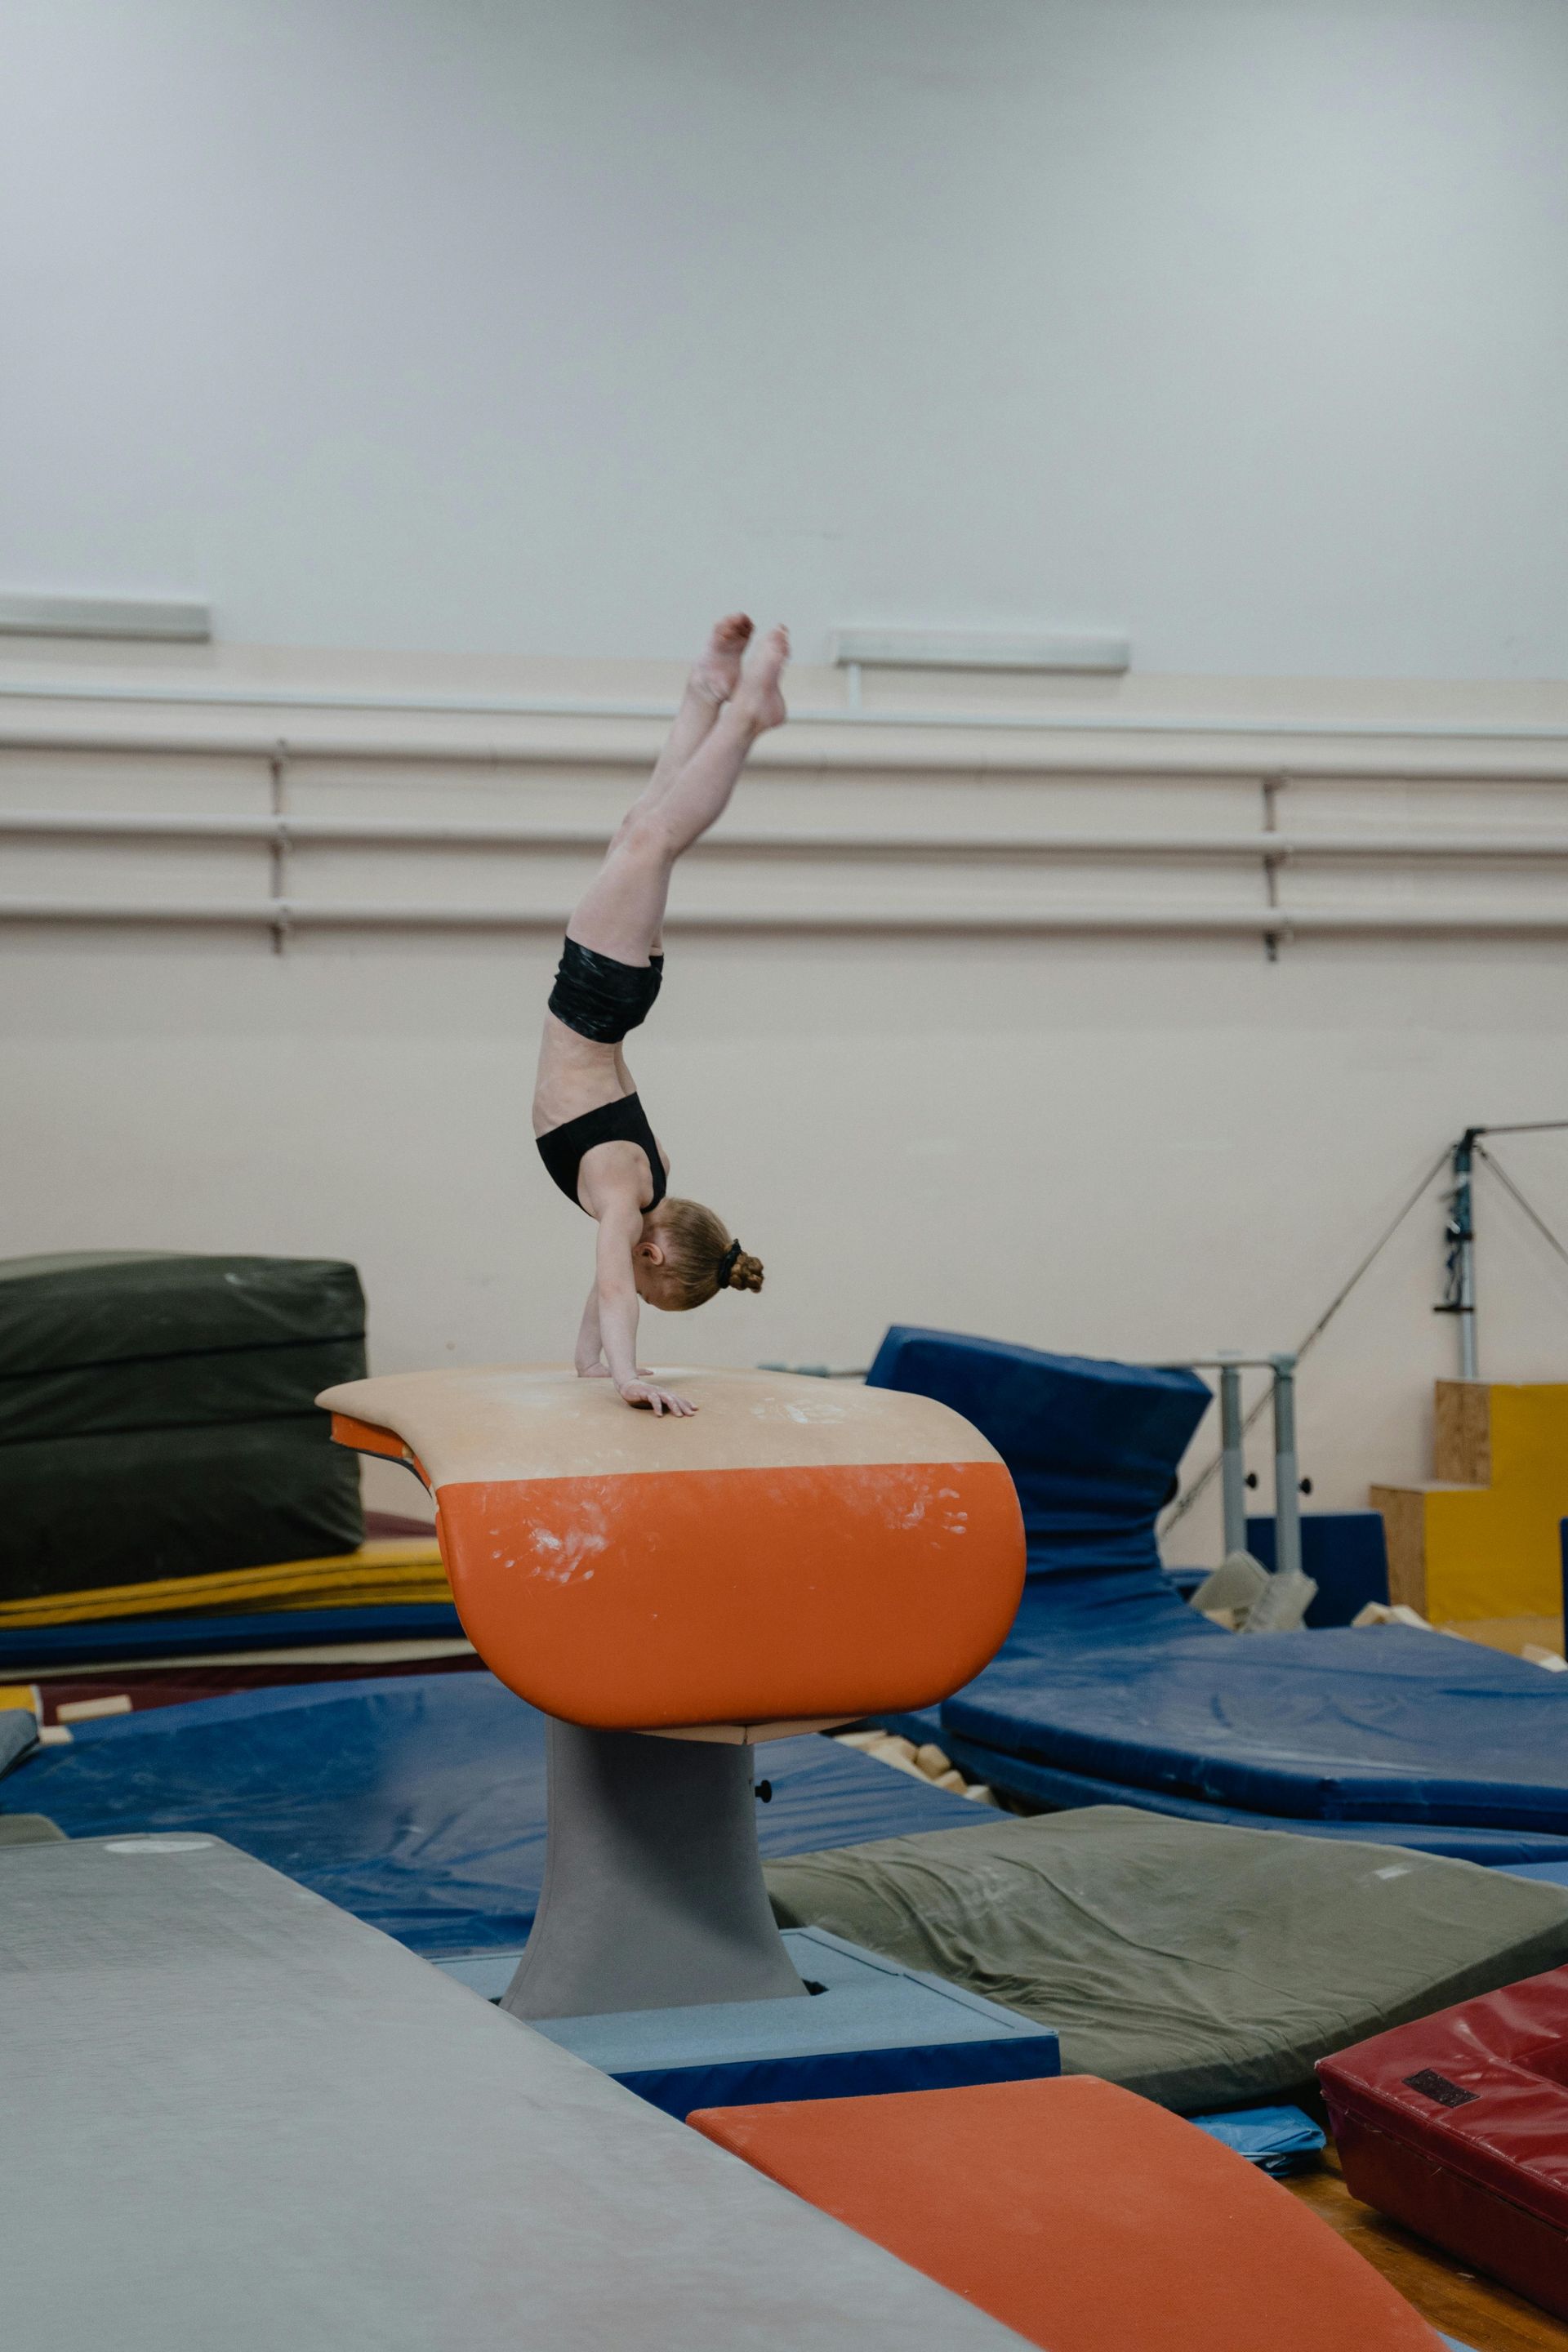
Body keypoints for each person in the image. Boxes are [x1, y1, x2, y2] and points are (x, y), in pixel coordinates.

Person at [532, 613, 786, 1414]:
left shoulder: (649, 1182)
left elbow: (607, 1285)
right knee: (653, 841)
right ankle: (745, 717)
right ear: (651, 1252)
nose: (629, 1281)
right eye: (649, 1278)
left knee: (637, 834)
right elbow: (614, 1286)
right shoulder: (616, 1193)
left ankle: (706, 689)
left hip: (620, 1003)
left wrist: (585, 1361)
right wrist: (625, 1374)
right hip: (594, 998)